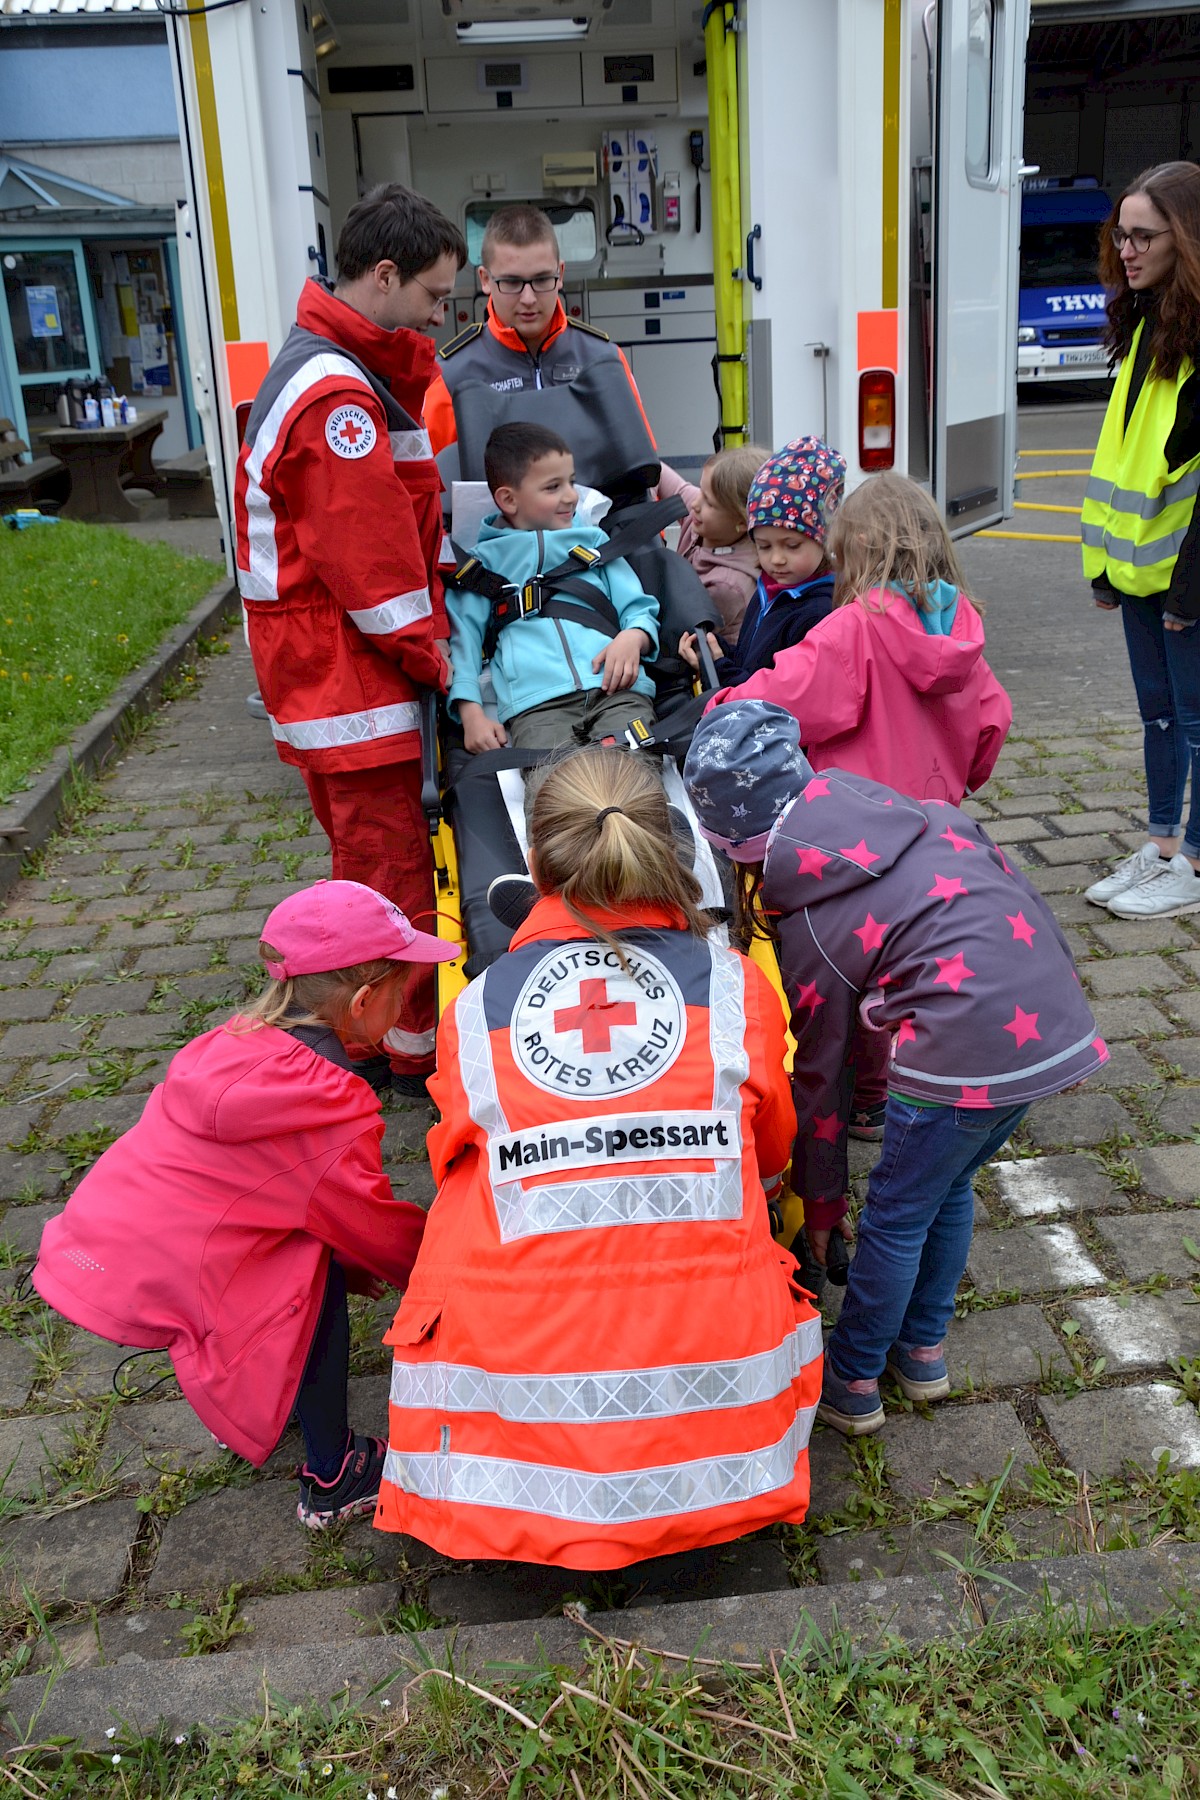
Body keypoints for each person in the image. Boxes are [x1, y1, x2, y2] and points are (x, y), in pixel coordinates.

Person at [375, 747, 823, 1568]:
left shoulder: (479, 1009)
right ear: (668, 846)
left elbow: (450, 1161)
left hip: (505, 1469)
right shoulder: (734, 986)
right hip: (726, 1443)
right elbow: (771, 1150)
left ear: (538, 862)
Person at [684, 702, 1108, 1437]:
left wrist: (821, 1203)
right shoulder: (925, 815)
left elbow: (819, 1074)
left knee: (897, 1213)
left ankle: (852, 1381)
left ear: (734, 845)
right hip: (1050, 1024)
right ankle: (922, 1354)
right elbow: (1026, 899)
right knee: (948, 1184)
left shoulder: (811, 915)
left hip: (962, 1047)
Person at [33, 882, 460, 1527]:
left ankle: (273, 1390)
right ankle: (334, 1475)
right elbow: (372, 1230)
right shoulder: (324, 1104)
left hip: (104, 1250)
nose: (409, 1003)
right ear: (367, 1001)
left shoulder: (230, 1043)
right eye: (406, 992)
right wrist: (464, 1278)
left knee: (297, 1246)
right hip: (187, 1271)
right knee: (311, 1273)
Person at [234, 183, 466, 1094]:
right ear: (383, 275)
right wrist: (439, 661)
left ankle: (370, 1029)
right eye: (433, 297)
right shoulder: (336, 396)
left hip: (326, 668)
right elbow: (373, 566)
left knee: (367, 856)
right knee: (387, 870)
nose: (440, 317)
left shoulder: (335, 365)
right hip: (348, 674)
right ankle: (397, 1051)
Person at [707, 471, 1012, 803]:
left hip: (857, 820)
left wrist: (719, 706)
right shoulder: (961, 626)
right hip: (937, 813)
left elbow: (782, 695)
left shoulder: (851, 629)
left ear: (857, 548)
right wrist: (962, 781)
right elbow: (994, 718)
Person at [1082, 161, 1200, 920]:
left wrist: (1189, 593)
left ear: (1184, 238)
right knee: (1161, 718)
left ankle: (1192, 866)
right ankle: (1162, 848)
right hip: (1137, 574)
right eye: (1120, 235)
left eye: (1143, 235)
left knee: (1197, 723)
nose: (1126, 250)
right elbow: (1121, 461)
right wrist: (1105, 569)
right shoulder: (1147, 325)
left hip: (1184, 580)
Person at [447, 422, 660, 754]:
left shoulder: (594, 544)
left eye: (572, 482)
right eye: (553, 487)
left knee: (631, 767)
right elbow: (464, 645)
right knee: (556, 790)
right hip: (537, 705)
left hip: (616, 688)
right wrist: (471, 713)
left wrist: (634, 637)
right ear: (508, 499)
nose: (571, 495)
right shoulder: (480, 568)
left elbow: (638, 607)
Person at [424, 204, 653, 460]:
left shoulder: (604, 359)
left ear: (561, 273)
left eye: (542, 279)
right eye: (511, 282)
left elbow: (641, 462)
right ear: (485, 280)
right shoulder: (450, 377)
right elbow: (431, 486)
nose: (529, 298)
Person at [679, 436, 842, 688]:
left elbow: (778, 698)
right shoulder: (769, 588)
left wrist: (721, 668)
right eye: (764, 546)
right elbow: (751, 664)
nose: (776, 559)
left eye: (792, 545)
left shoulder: (818, 615)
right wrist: (714, 650)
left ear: (823, 537)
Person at [657, 443, 769, 633]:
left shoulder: (727, 586)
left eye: (709, 502)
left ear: (742, 521)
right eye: (701, 492)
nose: (694, 504)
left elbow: (677, 625)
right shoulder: (709, 522)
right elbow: (657, 472)